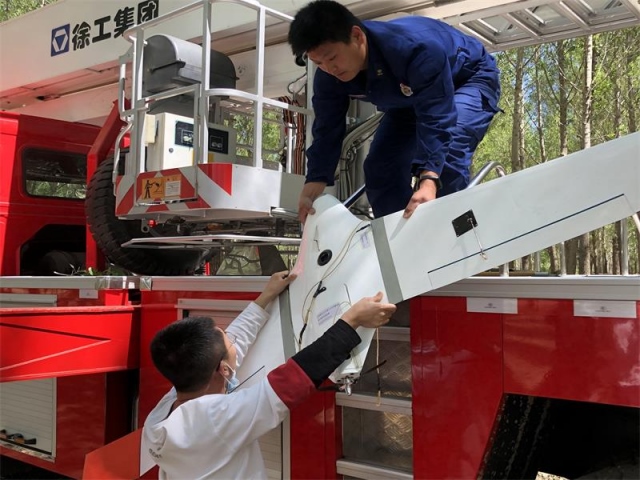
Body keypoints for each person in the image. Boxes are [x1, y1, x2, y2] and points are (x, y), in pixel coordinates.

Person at [142, 270, 396, 479]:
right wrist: (351, 321)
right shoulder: (215, 419)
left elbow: (234, 341)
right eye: (228, 342)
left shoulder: (163, 413)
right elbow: (292, 381)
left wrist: (265, 297)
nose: (232, 340)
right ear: (224, 369)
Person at [288, 0, 501, 221]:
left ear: (357, 36)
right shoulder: (328, 76)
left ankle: (448, 228)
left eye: (332, 58)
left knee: (447, 153)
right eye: (318, 63)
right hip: (408, 100)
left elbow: (437, 116)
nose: (329, 69)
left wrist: (429, 179)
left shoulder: (414, 49)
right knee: (380, 168)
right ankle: (398, 237)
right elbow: (326, 127)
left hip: (467, 79)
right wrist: (314, 181)